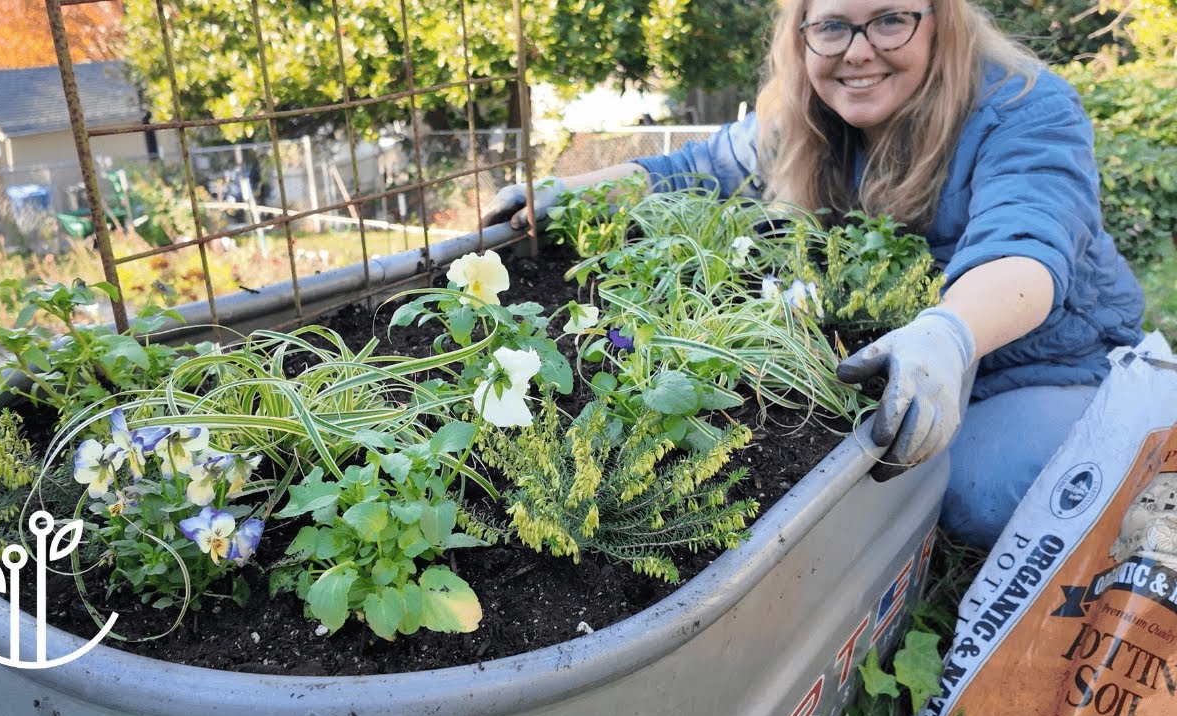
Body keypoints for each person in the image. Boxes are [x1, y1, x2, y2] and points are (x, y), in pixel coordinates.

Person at [479, 0, 1145, 548]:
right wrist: (567, 194)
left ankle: (1140, 448)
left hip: (1036, 367)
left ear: (942, 21)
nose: (857, 51)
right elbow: (687, 172)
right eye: (832, 27)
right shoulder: (803, 115)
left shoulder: (1022, 106)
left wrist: (948, 334)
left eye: (890, 20)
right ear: (800, 36)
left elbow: (1027, 245)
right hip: (890, 357)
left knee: (973, 492)